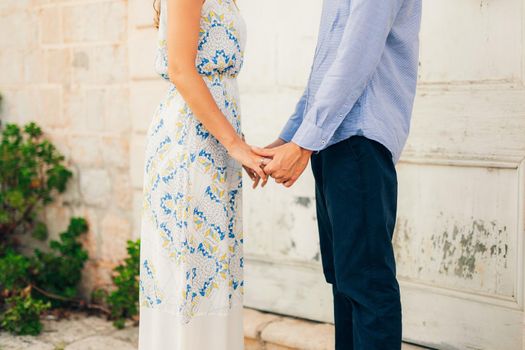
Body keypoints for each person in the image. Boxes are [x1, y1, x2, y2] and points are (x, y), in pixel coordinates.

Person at [253, 1, 423, 349]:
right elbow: (327, 68)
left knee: (367, 283)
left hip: (358, 138)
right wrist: (290, 138)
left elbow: (356, 59)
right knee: (346, 281)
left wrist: (302, 145)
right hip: (332, 140)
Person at [138, 0, 265, 349]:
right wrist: (235, 144)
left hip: (215, 139)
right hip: (191, 140)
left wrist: (233, 145)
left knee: (215, 267)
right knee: (191, 266)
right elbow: (180, 69)